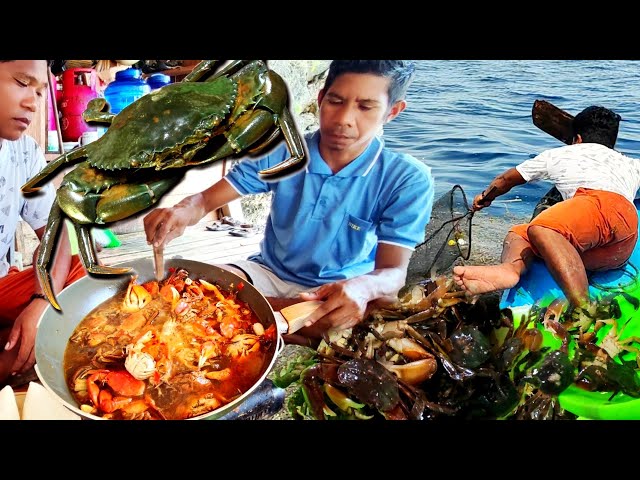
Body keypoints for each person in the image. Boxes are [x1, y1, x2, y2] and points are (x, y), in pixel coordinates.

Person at [144, 60, 434, 339]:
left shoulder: (406, 178)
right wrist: (180, 211)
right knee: (196, 286)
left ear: (392, 111)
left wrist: (363, 287)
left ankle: (257, 318)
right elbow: (206, 201)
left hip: (338, 290)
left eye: (365, 107)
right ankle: (281, 324)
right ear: (320, 98)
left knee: (352, 314)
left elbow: (393, 274)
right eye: (336, 101)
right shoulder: (283, 151)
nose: (344, 119)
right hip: (268, 273)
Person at [453, 105, 640, 316]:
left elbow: (507, 179)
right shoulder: (630, 163)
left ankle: (584, 310)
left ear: (577, 139)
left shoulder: (560, 154)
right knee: (520, 233)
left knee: (542, 229)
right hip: (615, 250)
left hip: (600, 207)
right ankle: (510, 270)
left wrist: (485, 197)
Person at [0, 60, 86, 385]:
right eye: (22, 83)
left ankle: (21, 346)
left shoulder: (23, 151)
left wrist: (40, 301)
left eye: (38, 92)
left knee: (81, 270)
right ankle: (22, 356)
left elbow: (57, 234)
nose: (32, 103)